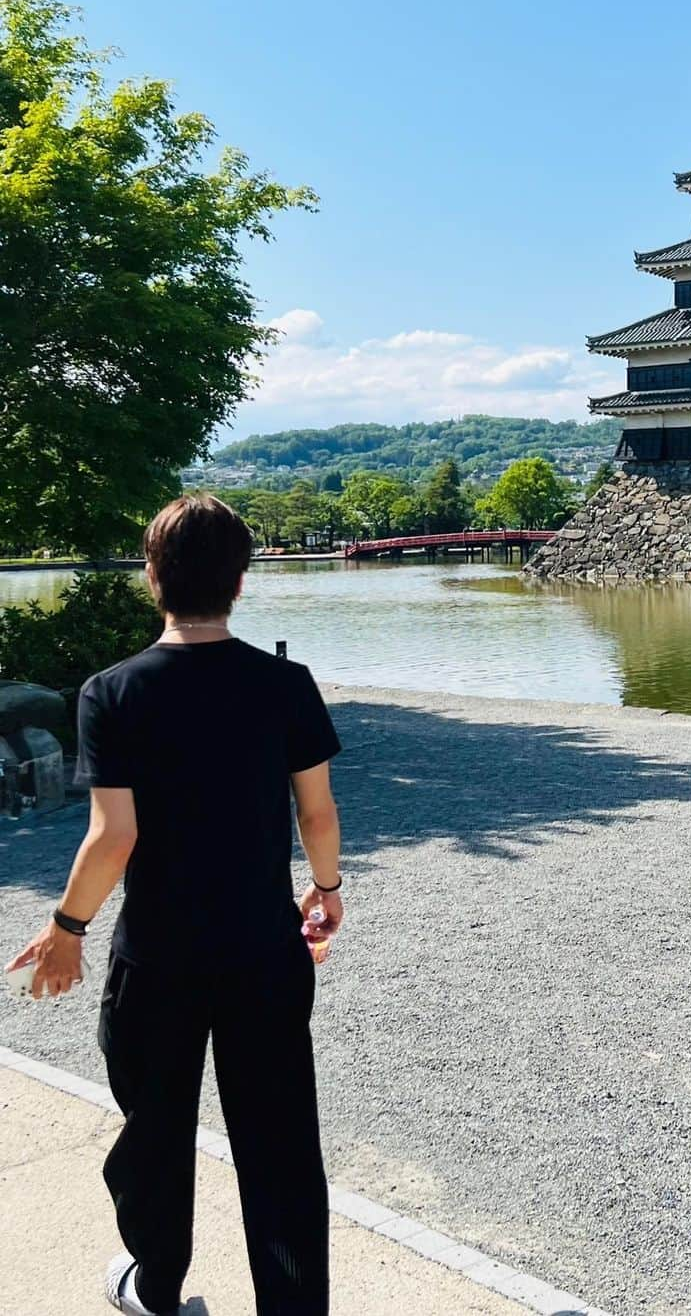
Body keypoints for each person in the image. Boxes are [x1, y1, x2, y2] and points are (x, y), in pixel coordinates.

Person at [5, 494, 343, 1316]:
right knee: (281, 1145)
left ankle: (158, 1287)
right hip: (265, 950)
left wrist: (66, 929)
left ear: (152, 575)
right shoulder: (285, 683)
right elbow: (318, 813)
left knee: (154, 1132)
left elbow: (112, 837)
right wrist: (326, 891)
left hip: (156, 956)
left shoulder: (112, 692)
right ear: (242, 578)